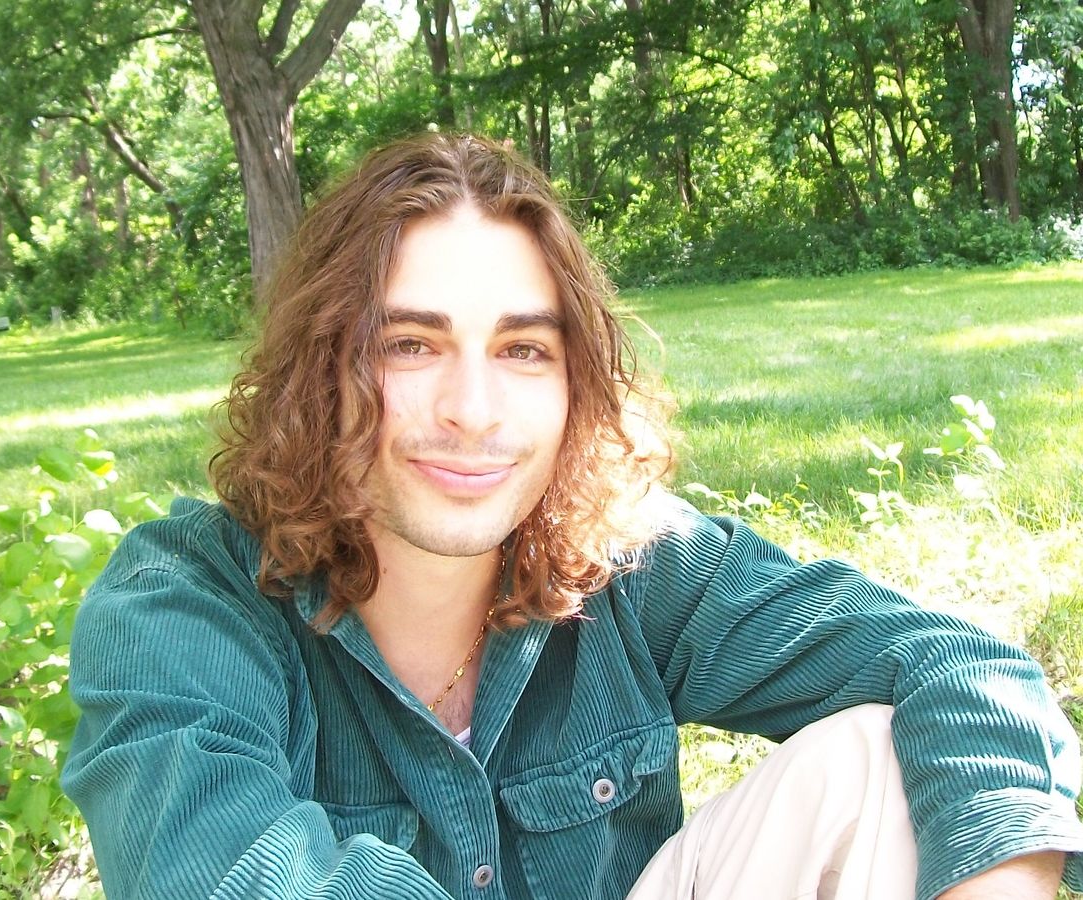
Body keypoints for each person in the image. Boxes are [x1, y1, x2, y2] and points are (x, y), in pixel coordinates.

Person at [61, 133, 1083, 900]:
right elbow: (228, 872)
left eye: (523, 351)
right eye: (409, 344)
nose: (473, 411)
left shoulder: (628, 561)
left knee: (874, 763)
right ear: (317, 371)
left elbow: (959, 666)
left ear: (574, 388)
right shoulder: (182, 605)